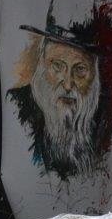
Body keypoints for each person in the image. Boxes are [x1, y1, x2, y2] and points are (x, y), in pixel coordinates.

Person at [7, 18, 106, 182]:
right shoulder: (15, 106)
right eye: (58, 66)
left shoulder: (105, 121)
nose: (68, 85)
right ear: (41, 65)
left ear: (94, 75)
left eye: (80, 69)